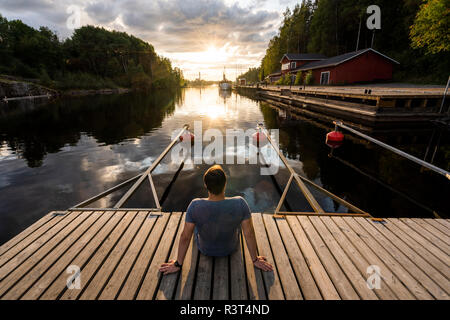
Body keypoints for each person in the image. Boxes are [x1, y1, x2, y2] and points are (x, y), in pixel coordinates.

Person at [159, 165, 274, 274]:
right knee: (239, 222)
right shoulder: (240, 202)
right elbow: (248, 233)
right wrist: (255, 260)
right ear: (225, 184)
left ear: (205, 185)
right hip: (230, 248)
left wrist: (178, 264)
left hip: (205, 249)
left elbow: (185, 237)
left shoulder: (195, 205)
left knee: (193, 226)